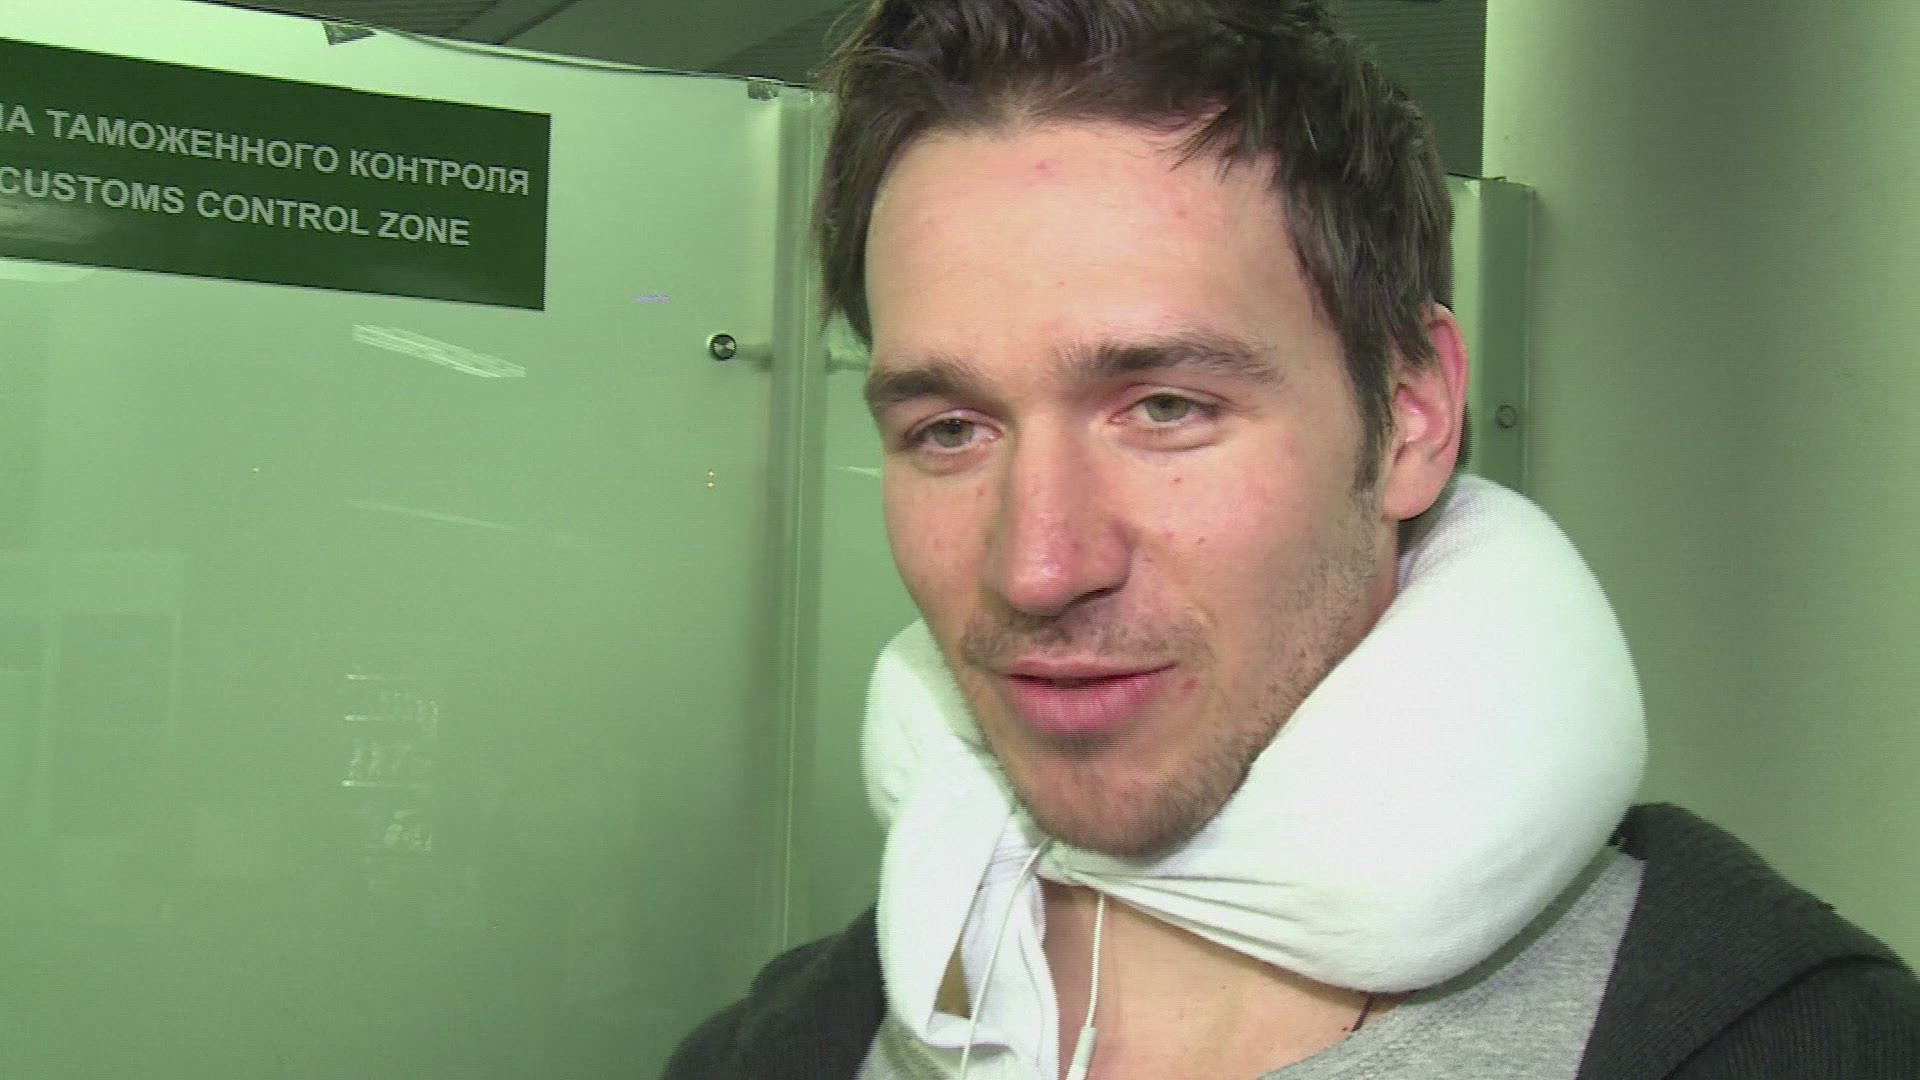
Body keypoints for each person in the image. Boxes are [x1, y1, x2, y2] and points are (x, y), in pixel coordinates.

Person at [665, 0, 1920, 1076]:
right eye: (950, 429)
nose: (1036, 566)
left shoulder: (1808, 1043)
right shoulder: (770, 1050)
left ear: (1414, 412)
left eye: (1167, 407)